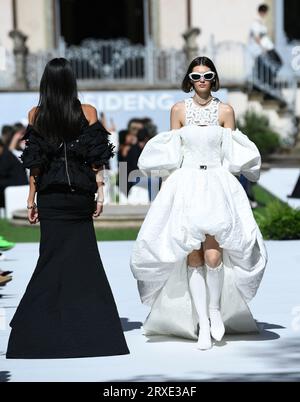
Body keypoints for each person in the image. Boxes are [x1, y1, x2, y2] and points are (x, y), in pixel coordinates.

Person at [130, 56, 268, 350]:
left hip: (217, 184)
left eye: (207, 75)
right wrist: (167, 196)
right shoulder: (178, 110)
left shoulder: (226, 111)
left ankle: (215, 311)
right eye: (195, 76)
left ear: (214, 78)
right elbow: (172, 154)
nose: (201, 80)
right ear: (189, 79)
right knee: (192, 256)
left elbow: (232, 153)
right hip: (186, 185)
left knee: (214, 256)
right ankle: (203, 323)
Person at [6, 58, 130, 359]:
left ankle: (33, 324)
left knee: (50, 260)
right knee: (85, 262)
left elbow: (35, 161)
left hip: (52, 197)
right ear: (71, 82)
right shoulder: (86, 112)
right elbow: (96, 158)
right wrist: (100, 193)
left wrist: (32, 197)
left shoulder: (36, 114)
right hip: (77, 196)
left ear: (46, 83)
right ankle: (93, 328)